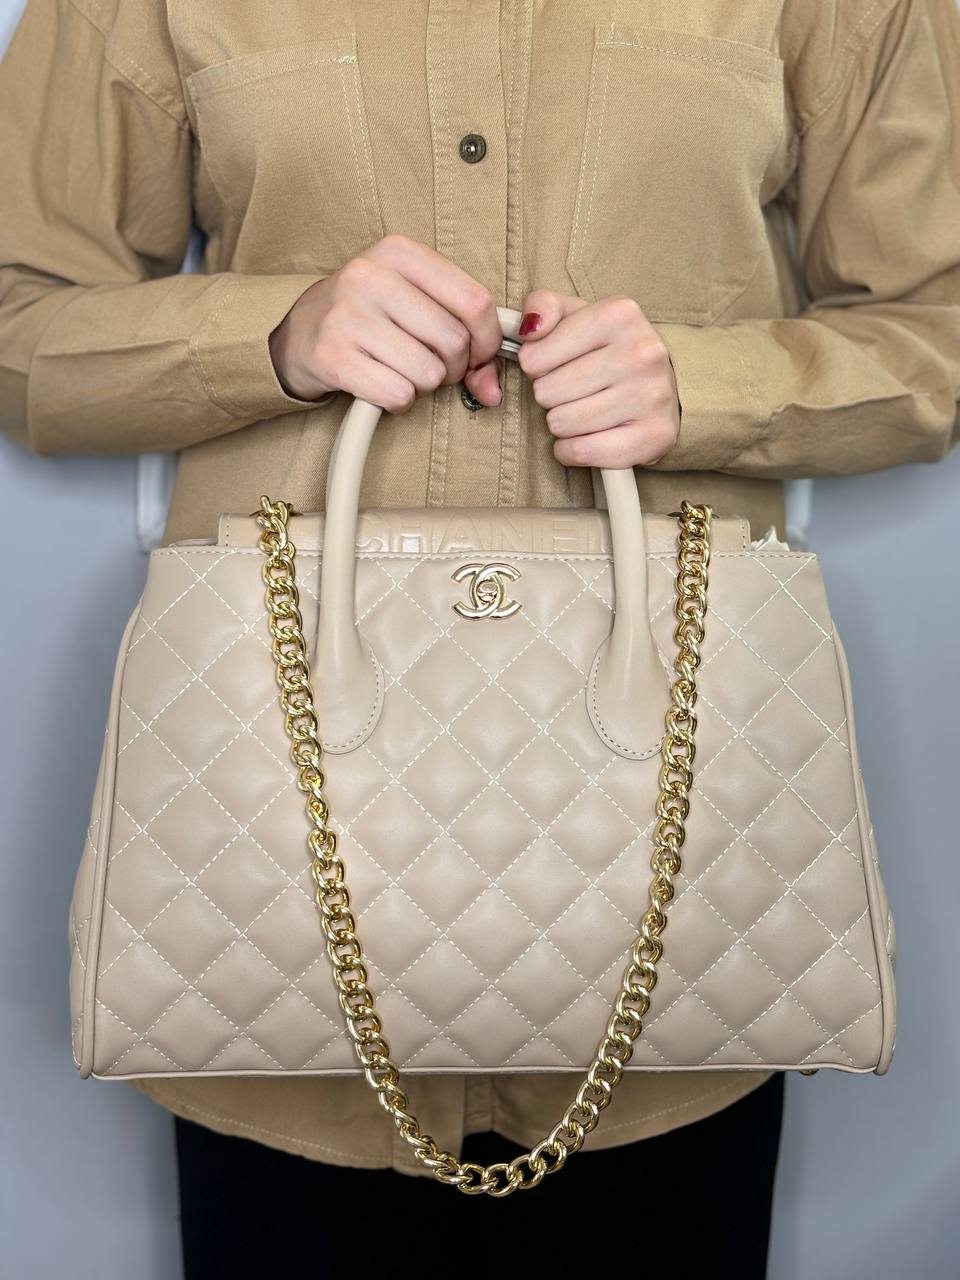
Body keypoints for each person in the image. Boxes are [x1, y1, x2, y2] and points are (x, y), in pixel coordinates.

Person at [1, 0, 958, 1273]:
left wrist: (711, 383)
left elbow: (934, 327)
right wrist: (271, 337)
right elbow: (21, 316)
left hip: (679, 945)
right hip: (273, 922)